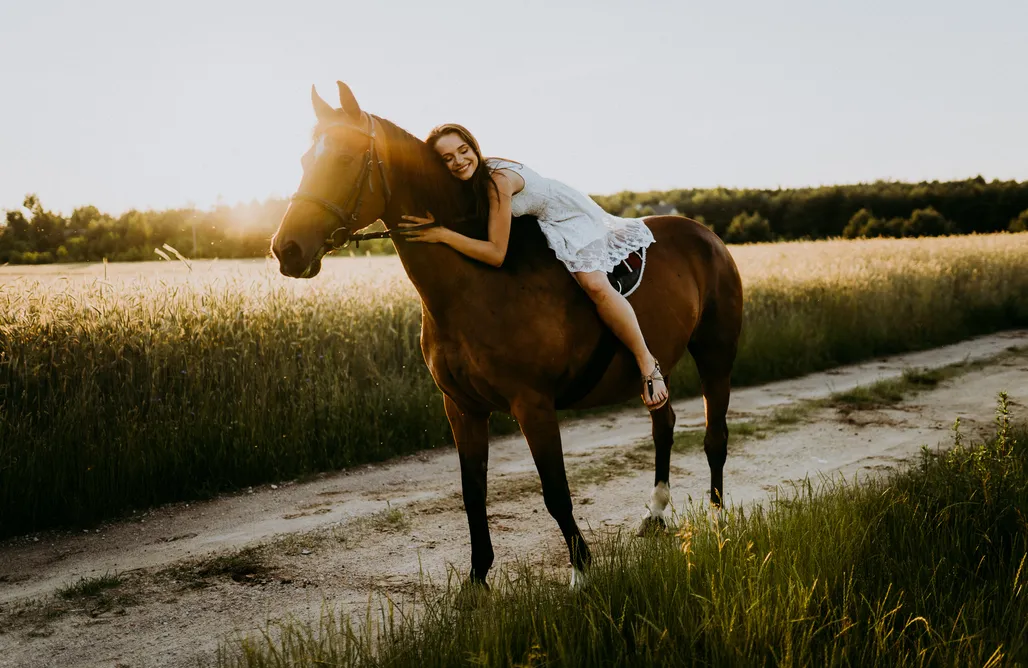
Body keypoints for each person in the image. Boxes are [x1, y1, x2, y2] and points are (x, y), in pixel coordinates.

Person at [399, 123, 668, 411]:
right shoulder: (471, 178)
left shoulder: (496, 182)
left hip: (568, 218)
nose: (458, 161)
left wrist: (442, 235)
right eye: (447, 158)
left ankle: (647, 364)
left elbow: (495, 254)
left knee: (595, 285)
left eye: (463, 151)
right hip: (538, 224)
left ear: (473, 147)